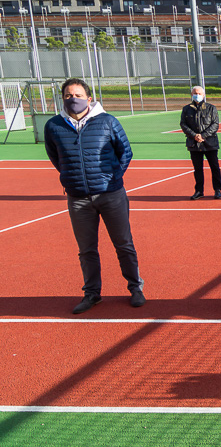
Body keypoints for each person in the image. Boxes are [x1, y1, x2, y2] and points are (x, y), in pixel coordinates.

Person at [44, 78, 144, 314]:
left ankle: (135, 288)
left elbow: (125, 152)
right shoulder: (54, 126)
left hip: (111, 195)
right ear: (62, 99)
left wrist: (113, 177)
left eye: (78, 95)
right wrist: (73, 178)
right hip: (78, 198)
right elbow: (55, 157)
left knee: (123, 244)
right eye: (68, 95)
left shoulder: (107, 121)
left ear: (89, 98)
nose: (73, 99)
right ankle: (92, 294)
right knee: (86, 249)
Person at [179, 85, 221, 200]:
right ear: (191, 95)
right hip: (194, 144)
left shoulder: (211, 108)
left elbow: (215, 124)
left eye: (199, 93)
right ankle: (199, 191)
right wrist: (194, 136)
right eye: (195, 93)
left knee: (214, 167)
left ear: (203, 95)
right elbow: (183, 124)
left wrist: (203, 136)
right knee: (198, 169)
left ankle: (217, 190)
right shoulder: (186, 109)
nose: (197, 95)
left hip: (210, 143)